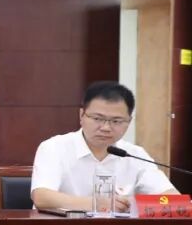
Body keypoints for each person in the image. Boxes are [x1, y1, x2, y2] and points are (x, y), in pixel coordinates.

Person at [31, 81, 178, 213]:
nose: (106, 128)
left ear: (129, 121)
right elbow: (42, 197)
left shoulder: (135, 154)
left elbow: (171, 198)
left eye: (116, 121)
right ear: (81, 115)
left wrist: (134, 204)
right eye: (97, 119)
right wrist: (97, 204)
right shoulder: (54, 148)